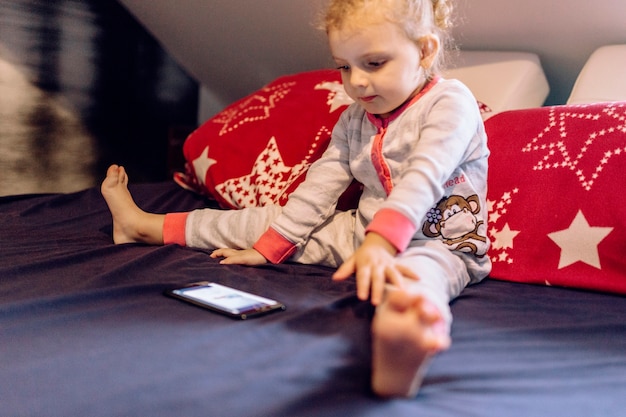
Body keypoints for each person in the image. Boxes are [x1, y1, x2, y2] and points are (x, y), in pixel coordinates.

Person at [101, 0, 491, 398]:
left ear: (425, 50)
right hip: (361, 235)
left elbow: (425, 174)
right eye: (344, 66)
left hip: (441, 243)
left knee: (417, 277)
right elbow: (319, 188)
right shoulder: (354, 120)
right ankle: (143, 226)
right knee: (262, 219)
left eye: (373, 64)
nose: (355, 82)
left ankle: (405, 336)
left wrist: (383, 241)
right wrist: (272, 244)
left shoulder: (451, 104)